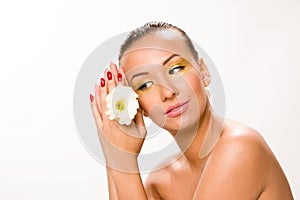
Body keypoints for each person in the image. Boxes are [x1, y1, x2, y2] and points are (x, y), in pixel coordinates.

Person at [90, 21, 294, 199]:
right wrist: (116, 156)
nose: (168, 92)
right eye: (145, 84)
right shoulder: (160, 182)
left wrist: (124, 162)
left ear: (203, 72)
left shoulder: (241, 147)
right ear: (139, 106)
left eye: (176, 69)